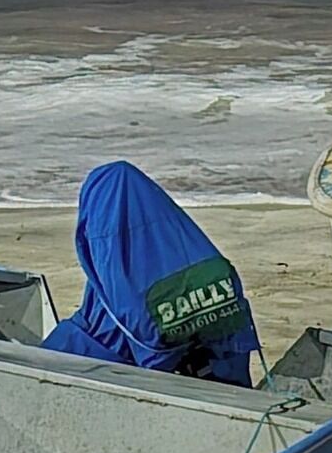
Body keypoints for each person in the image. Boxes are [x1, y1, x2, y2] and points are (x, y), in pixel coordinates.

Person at [39, 160, 259, 386]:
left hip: (127, 368)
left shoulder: (121, 283)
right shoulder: (203, 259)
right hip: (221, 375)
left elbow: (142, 346)